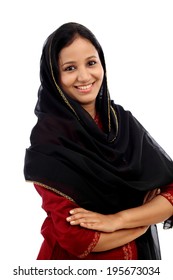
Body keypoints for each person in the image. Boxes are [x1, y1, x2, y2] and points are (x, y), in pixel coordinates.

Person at [24, 22, 173, 260]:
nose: (85, 76)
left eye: (91, 63)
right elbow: (76, 239)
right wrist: (143, 222)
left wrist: (117, 220)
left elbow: (172, 191)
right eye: (70, 67)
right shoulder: (49, 144)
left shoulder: (121, 123)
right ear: (54, 76)